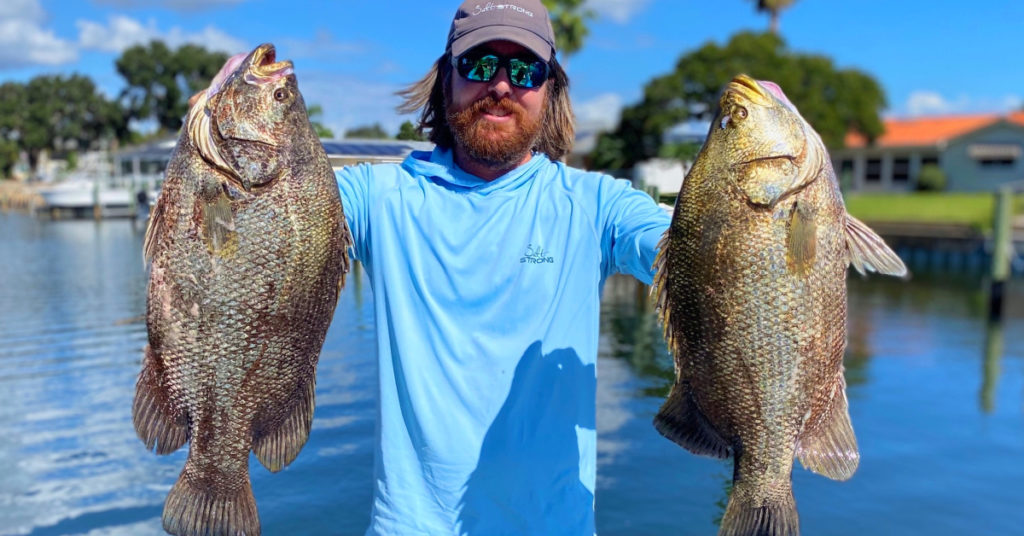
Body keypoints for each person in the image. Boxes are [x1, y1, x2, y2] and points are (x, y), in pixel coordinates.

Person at [334, 1, 671, 534]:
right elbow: (264, 222)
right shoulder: (376, 196)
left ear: (549, 89)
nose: (500, 86)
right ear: (446, 77)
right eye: (479, 64)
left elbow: (695, 250)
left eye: (524, 70)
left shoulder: (596, 204)